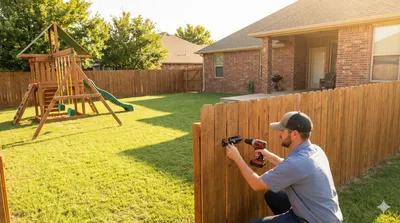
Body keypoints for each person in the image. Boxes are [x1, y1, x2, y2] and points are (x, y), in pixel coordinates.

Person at [225, 111, 343, 223]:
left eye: (282, 130)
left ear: (294, 134)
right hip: (326, 215)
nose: (279, 133)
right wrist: (268, 155)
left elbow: (256, 184)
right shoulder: (315, 150)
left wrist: (237, 158)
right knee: (272, 195)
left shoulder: (296, 164)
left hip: (314, 220)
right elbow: (292, 168)